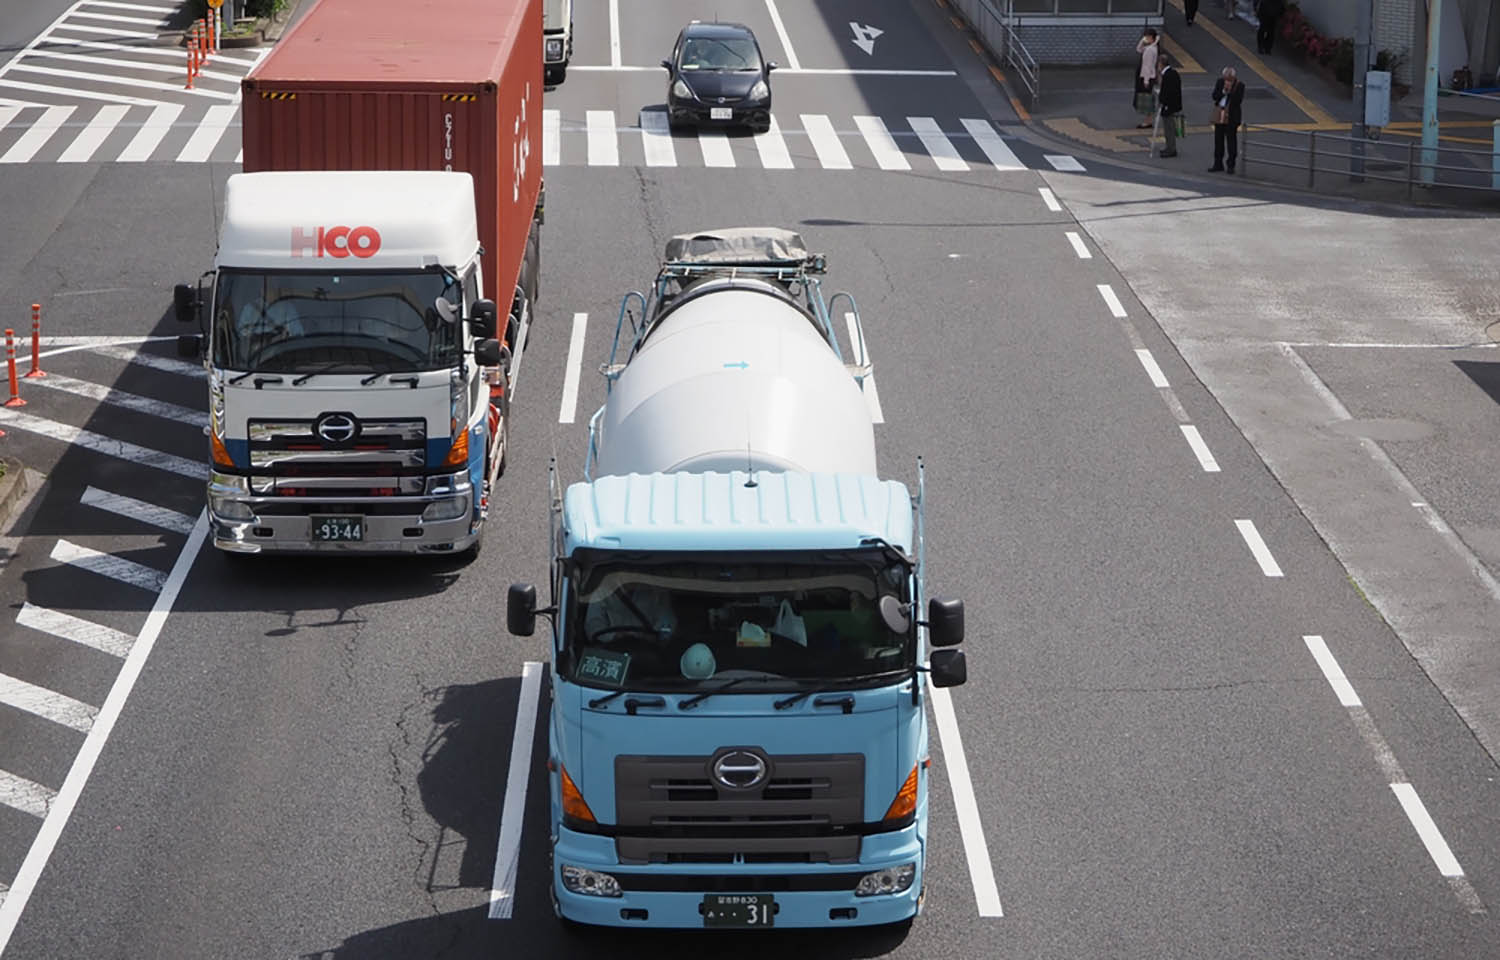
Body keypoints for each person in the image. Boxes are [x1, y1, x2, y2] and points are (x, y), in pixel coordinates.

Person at [1208, 67, 1245, 173]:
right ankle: (1217, 163)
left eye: (1229, 79)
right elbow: (1214, 96)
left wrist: (1230, 92)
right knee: (1218, 140)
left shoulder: (1240, 85)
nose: (1227, 81)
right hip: (1220, 113)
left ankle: (1231, 165)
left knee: (1231, 141)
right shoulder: (1220, 82)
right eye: (1226, 78)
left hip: (1232, 116)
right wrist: (1223, 91)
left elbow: (1238, 101)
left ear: (1233, 77)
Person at [1156, 53, 1182, 158]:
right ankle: (1169, 147)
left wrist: (1162, 101)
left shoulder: (1167, 76)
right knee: (1169, 128)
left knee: (1169, 128)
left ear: (1161, 64)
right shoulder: (1173, 73)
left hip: (1169, 106)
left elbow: (1167, 92)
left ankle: (1171, 149)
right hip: (1174, 105)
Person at [1134, 29, 1160, 129]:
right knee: (1147, 98)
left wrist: (1146, 80)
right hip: (1148, 76)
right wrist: (1142, 40)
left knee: (1147, 99)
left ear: (1152, 38)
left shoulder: (1150, 50)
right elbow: (1138, 49)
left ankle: (1148, 121)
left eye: (1147, 37)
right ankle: (1148, 120)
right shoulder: (1151, 47)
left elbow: (1147, 66)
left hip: (1147, 77)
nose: (1146, 38)